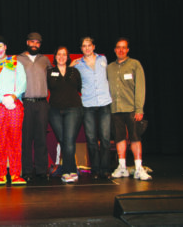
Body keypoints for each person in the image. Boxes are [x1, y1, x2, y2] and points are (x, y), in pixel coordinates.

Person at [0, 35, 27, 185]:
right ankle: (1, 173)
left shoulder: (17, 64)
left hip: (15, 105)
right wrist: (2, 98)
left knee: (15, 141)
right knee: (0, 142)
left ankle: (15, 174)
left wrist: (13, 97)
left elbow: (23, 83)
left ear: (6, 47)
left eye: (0, 46)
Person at [108, 38, 151, 180]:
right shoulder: (109, 67)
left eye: (124, 47)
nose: (121, 50)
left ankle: (139, 168)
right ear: (115, 50)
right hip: (115, 109)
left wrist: (139, 109)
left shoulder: (135, 64)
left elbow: (140, 87)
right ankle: (122, 167)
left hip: (132, 108)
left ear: (127, 50)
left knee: (135, 137)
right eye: (118, 47)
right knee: (119, 138)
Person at [72, 37, 112, 179]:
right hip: (88, 103)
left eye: (89, 45)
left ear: (94, 46)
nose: (87, 48)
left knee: (105, 138)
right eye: (84, 46)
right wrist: (70, 66)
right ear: (81, 48)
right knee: (91, 138)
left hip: (104, 103)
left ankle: (105, 169)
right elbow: (68, 77)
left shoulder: (103, 59)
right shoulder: (78, 64)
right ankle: (95, 170)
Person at [17, 32, 52, 182]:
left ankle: (42, 170)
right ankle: (27, 171)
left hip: (42, 103)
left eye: (37, 42)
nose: (34, 45)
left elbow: (55, 76)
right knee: (25, 138)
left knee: (41, 138)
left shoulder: (45, 60)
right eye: (32, 42)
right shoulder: (18, 59)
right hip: (25, 103)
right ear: (27, 42)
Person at [47, 46, 84, 183]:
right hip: (55, 111)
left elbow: (80, 87)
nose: (61, 57)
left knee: (68, 141)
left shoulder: (74, 71)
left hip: (73, 109)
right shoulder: (49, 72)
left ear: (68, 57)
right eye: (58, 54)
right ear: (55, 57)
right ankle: (71, 169)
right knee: (63, 141)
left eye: (64, 55)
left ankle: (69, 171)